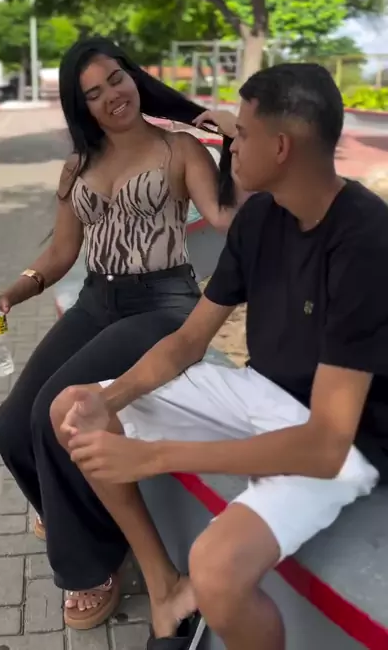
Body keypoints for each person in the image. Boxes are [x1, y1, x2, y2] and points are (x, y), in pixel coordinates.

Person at [53, 62, 388, 650]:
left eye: (244, 133)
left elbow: (326, 443)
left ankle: (196, 589)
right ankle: (165, 591)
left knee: (217, 569)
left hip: (345, 438)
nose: (231, 143)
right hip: (261, 391)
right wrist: (110, 400)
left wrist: (153, 456)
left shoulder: (366, 241)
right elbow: (189, 341)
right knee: (73, 409)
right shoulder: (260, 217)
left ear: (281, 148)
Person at [0, 36, 240, 630]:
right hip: (98, 300)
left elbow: (225, 218)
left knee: (55, 414)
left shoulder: (179, 149)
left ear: (132, 77)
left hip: (162, 304)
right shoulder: (78, 167)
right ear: (80, 106)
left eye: (116, 78)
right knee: (11, 425)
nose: (112, 95)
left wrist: (235, 142)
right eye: (93, 92)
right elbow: (62, 253)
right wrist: (9, 295)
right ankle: (69, 511)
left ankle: (90, 568)